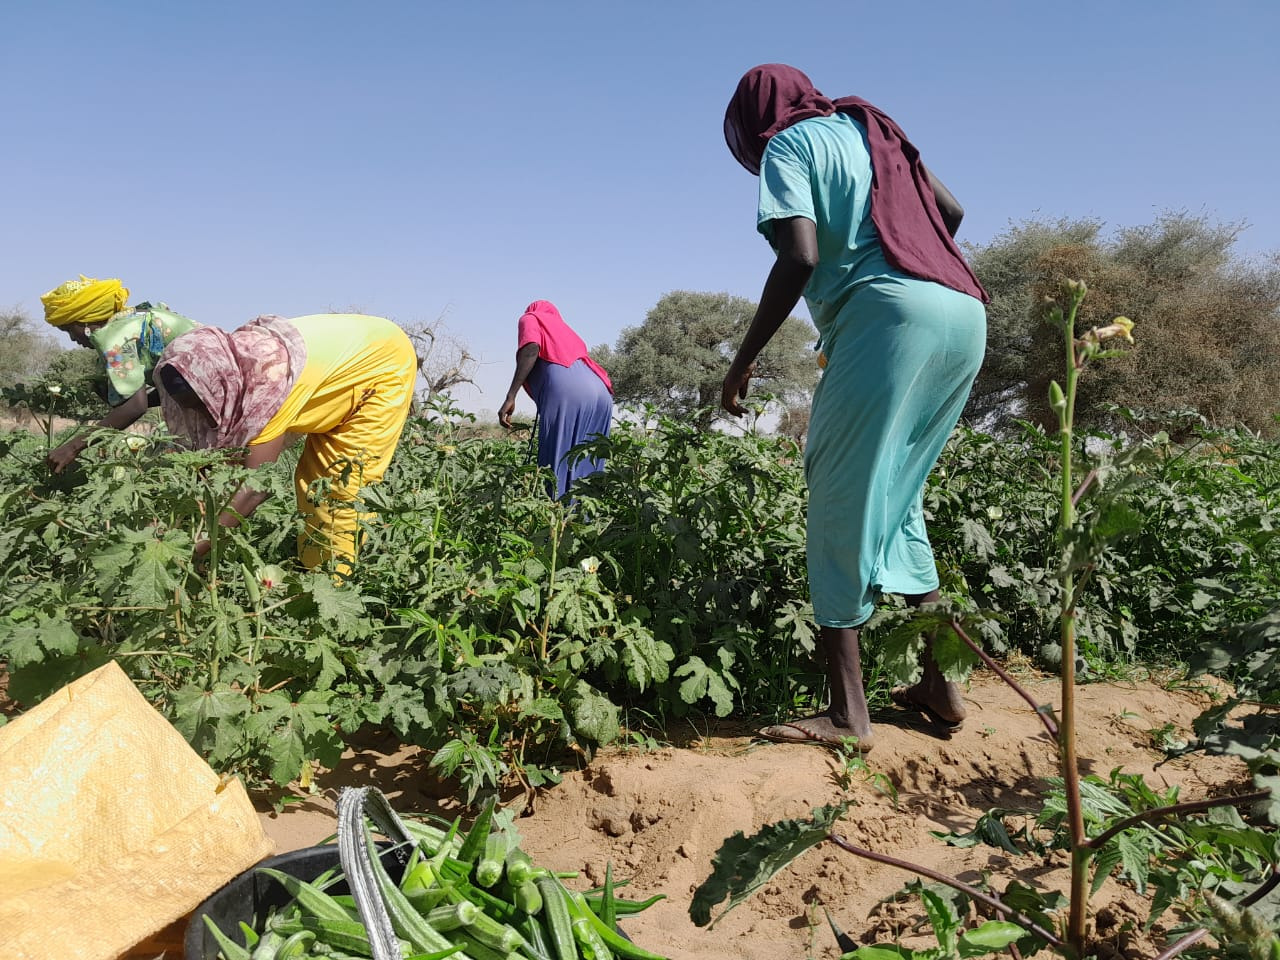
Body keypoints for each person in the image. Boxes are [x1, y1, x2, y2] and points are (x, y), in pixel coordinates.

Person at [721, 64, 990, 751]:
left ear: (757, 119)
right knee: (899, 497)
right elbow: (951, 213)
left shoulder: (791, 144)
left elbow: (800, 254)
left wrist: (745, 356)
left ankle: (847, 714)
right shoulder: (873, 133)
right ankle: (941, 684)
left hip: (889, 318)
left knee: (838, 493)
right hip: (962, 310)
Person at [153, 312, 416, 573]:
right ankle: (315, 569)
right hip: (342, 354)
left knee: (335, 492)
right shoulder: (229, 363)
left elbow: (257, 485)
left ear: (220, 384)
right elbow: (219, 466)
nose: (203, 416)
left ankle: (336, 583)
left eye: (204, 405)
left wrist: (194, 552)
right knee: (305, 487)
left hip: (380, 363)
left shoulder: (266, 385)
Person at [39, 275, 199, 472]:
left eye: (70, 330)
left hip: (213, 380)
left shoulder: (113, 337)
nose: (73, 339)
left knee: (194, 463)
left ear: (86, 323)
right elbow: (169, 390)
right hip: (215, 380)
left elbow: (135, 407)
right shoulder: (129, 321)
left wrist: (72, 447)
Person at [498, 300, 613, 498]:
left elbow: (531, 347)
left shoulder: (531, 318)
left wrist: (511, 395)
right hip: (602, 392)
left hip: (569, 390)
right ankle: (587, 521)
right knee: (589, 463)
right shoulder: (568, 331)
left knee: (557, 460)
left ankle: (555, 517)